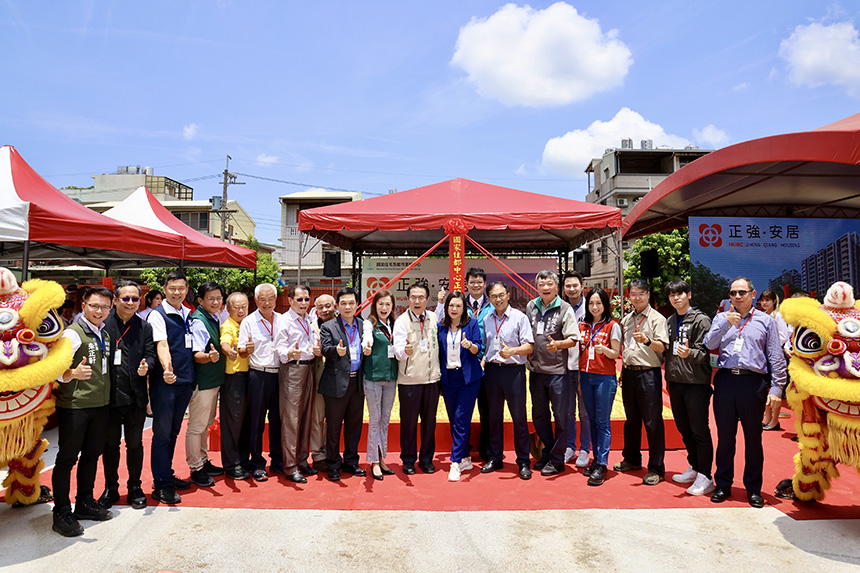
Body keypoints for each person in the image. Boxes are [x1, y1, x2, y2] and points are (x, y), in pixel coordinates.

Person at [704, 277, 787, 508]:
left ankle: (753, 488)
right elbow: (708, 342)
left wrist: (777, 388)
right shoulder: (721, 317)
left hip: (753, 383)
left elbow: (775, 356)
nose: (737, 296)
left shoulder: (765, 321)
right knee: (725, 437)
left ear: (753, 294)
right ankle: (722, 484)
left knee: (753, 438)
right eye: (733, 293)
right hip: (726, 381)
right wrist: (725, 324)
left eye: (742, 292)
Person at [51, 287, 115, 537]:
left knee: (91, 456)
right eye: (94, 305)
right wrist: (72, 374)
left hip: (100, 406)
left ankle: (85, 503)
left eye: (104, 307)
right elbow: (56, 370)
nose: (99, 311)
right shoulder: (72, 335)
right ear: (83, 305)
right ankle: (61, 512)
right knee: (67, 460)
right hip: (75, 406)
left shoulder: (105, 334)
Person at [99, 280, 156, 511]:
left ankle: (135, 486)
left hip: (135, 397)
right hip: (109, 397)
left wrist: (147, 366)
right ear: (115, 300)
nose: (131, 303)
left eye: (136, 299)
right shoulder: (103, 325)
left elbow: (151, 355)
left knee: (135, 444)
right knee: (109, 445)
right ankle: (111, 487)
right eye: (126, 298)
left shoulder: (144, 328)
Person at [147, 271, 196, 504]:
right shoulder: (158, 315)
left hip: (185, 382)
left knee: (174, 432)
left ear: (186, 289)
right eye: (172, 288)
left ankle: (166, 474)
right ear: (165, 289)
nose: (177, 292)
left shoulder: (187, 313)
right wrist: (167, 368)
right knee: (163, 434)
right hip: (166, 383)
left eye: (181, 288)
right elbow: (162, 344)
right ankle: (161, 484)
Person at [663, 280, 714, 496]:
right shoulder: (670, 320)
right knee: (684, 428)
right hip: (675, 382)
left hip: (696, 384)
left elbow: (707, 352)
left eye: (680, 294)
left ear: (689, 295)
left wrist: (690, 353)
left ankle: (706, 475)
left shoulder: (701, 320)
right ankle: (694, 466)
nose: (676, 298)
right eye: (672, 295)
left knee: (699, 430)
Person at [526, 270, 579, 476]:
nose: (545, 288)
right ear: (537, 286)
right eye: (542, 284)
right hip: (536, 371)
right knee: (539, 415)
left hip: (559, 373)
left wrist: (558, 344)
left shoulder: (565, 308)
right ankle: (547, 452)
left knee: (560, 417)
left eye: (549, 284)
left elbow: (573, 339)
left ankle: (557, 460)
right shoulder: (531, 306)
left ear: (557, 286)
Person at [617, 278, 669, 486]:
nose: (637, 298)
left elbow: (662, 348)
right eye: (633, 294)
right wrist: (623, 371)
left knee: (652, 421)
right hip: (629, 373)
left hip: (649, 374)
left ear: (648, 295)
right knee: (631, 420)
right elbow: (625, 349)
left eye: (641, 294)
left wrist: (647, 340)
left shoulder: (657, 319)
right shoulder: (626, 319)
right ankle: (631, 458)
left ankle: (656, 468)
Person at [481, 281, 535, 480]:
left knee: (519, 418)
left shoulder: (519, 318)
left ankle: (523, 461)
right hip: (493, 372)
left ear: (508, 295)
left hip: (514, 372)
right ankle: (496, 458)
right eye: (494, 296)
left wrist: (512, 351)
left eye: (501, 295)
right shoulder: (487, 319)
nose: (498, 299)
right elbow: (486, 347)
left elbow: (529, 347)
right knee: (494, 418)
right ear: (489, 299)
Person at [393, 282, 442, 475]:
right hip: (410, 381)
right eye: (413, 297)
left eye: (421, 297)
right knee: (409, 423)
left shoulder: (432, 317)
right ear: (408, 299)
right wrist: (404, 352)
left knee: (429, 423)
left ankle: (427, 459)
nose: (417, 301)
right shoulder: (401, 321)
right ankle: (408, 459)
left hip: (432, 381)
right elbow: (397, 350)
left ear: (427, 299)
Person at [238, 283, 285, 482]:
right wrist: (246, 350)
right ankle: (257, 463)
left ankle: (277, 460)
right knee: (256, 421)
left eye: (270, 299)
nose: (267, 303)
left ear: (276, 300)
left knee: (278, 421)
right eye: (262, 299)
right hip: (259, 375)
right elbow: (240, 349)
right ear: (256, 301)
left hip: (281, 375)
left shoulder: (283, 320)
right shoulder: (248, 322)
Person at [319, 287, 367, 481]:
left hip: (358, 383)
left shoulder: (363, 325)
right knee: (334, 427)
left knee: (354, 426)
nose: (348, 306)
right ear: (337, 306)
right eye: (344, 303)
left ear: (357, 305)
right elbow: (324, 348)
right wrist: (334, 351)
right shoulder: (329, 326)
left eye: (351, 303)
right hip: (336, 384)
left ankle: (351, 462)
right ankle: (332, 463)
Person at [273, 284, 318, 484]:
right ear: (290, 300)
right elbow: (280, 349)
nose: (303, 303)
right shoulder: (283, 320)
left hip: (310, 367)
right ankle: (290, 466)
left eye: (306, 299)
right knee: (291, 419)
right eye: (299, 299)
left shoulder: (309, 318)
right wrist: (291, 353)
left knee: (307, 416)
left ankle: (302, 459)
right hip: (292, 369)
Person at [438, 291, 483, 482]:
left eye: (458, 305)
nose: (454, 309)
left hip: (468, 380)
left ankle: (455, 462)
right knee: (453, 419)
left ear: (464, 308)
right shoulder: (441, 327)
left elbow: (479, 348)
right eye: (451, 306)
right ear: (446, 308)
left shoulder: (471, 324)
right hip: (448, 379)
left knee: (461, 419)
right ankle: (465, 457)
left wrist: (470, 345)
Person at [578, 288, 622, 486]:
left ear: (605, 304)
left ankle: (603, 464)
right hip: (585, 376)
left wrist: (605, 350)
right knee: (592, 419)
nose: (595, 307)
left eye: (599, 303)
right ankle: (596, 459)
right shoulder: (583, 325)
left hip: (605, 378)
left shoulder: (612, 325)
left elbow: (615, 354)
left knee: (603, 422)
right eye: (591, 303)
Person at [185, 282, 226, 487]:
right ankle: (195, 467)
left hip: (214, 381)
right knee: (197, 426)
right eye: (211, 298)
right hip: (204, 381)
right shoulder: (199, 321)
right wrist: (209, 357)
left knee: (205, 424)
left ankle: (202, 461)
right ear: (200, 301)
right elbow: (196, 354)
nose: (216, 302)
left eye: (219, 298)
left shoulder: (214, 316)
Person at [361, 290, 399, 481]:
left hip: (391, 378)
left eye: (388, 304)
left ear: (392, 306)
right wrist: (366, 346)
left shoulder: (395, 324)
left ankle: (382, 458)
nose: (384, 308)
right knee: (375, 420)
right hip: (374, 379)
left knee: (385, 420)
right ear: (375, 305)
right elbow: (366, 339)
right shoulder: (369, 324)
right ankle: (373, 461)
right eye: (380, 304)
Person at [219, 291, 253, 481]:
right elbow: (225, 342)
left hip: (251, 375)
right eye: (236, 307)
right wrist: (228, 352)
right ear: (228, 308)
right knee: (233, 422)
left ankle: (243, 458)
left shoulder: (248, 324)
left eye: (244, 307)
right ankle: (231, 464)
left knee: (247, 421)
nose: (241, 310)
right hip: (234, 378)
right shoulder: (228, 326)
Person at [562, 270, 591, 468]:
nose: (572, 289)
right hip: (563, 367)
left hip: (585, 367)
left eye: (575, 285)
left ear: (582, 286)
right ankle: (570, 447)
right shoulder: (560, 308)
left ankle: (585, 449)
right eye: (568, 286)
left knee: (585, 411)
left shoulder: (591, 308)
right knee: (567, 411)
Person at [310, 294, 336, 471]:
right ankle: (318, 454)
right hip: (318, 378)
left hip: (337, 379)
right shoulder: (311, 327)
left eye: (328, 306)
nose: (325, 310)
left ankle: (332, 452)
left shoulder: (342, 325)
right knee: (317, 418)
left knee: (334, 419)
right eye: (321, 307)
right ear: (316, 309)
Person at [757, 289, 790, 431]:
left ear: (774, 301)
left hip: (775, 356)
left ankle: (775, 420)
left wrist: (770, 344)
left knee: (775, 390)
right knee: (766, 390)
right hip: (763, 356)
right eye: (763, 300)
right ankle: (768, 418)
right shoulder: (762, 315)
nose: (764, 303)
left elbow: (783, 336)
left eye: (767, 300)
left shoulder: (778, 316)